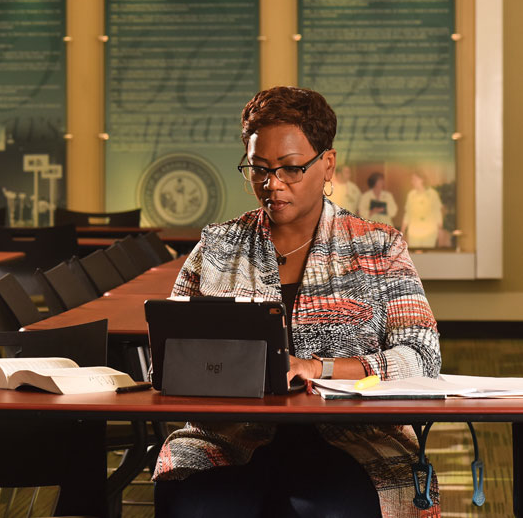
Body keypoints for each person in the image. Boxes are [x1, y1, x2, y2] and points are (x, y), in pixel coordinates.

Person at [153, 87, 441, 518]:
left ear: (327, 164)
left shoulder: (378, 247)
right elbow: (172, 355)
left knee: (331, 510)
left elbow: (422, 355)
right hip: (230, 438)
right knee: (196, 506)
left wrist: (317, 369)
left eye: (291, 169)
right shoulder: (217, 247)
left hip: (355, 441)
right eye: (259, 169)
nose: (273, 184)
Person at [401, 171, 444, 249]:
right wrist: (402, 231)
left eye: (414, 179)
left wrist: (440, 230)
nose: (412, 182)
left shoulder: (433, 194)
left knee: (427, 258)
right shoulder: (411, 195)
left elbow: (438, 213)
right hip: (414, 232)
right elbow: (407, 214)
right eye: (412, 179)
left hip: (430, 232)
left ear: (422, 180)